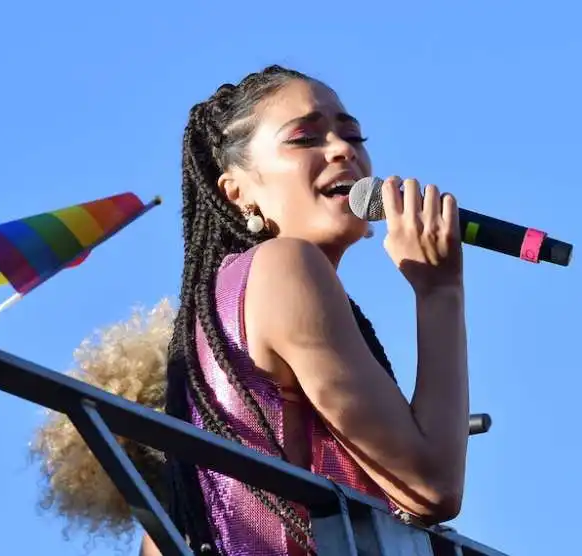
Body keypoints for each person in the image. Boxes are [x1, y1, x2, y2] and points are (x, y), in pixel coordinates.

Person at [141, 64, 470, 556]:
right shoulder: (285, 266)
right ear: (238, 191)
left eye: (353, 134)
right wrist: (440, 291)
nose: (343, 150)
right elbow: (431, 488)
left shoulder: (225, 298)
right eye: (305, 138)